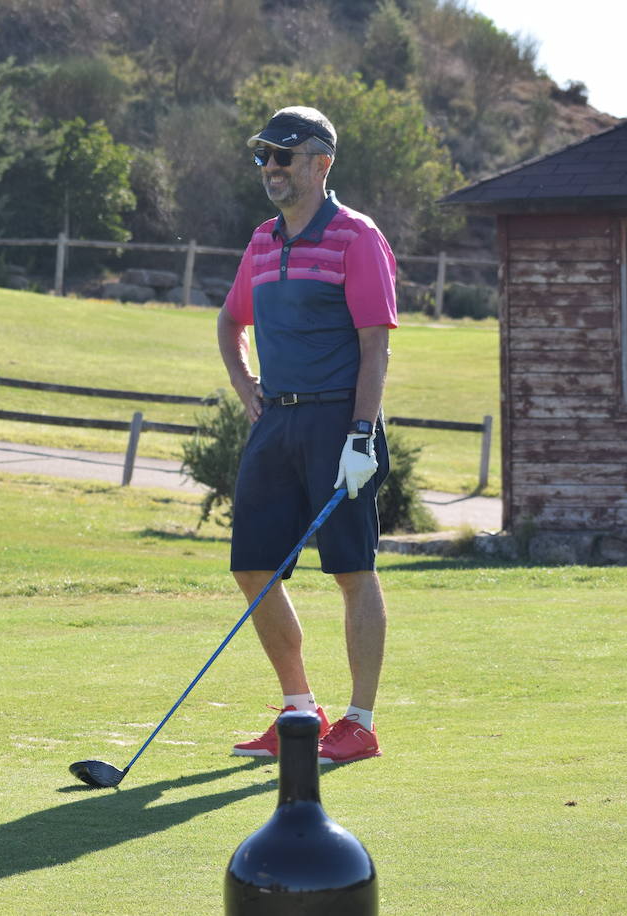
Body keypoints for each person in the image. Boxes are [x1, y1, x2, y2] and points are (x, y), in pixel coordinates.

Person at [216, 107, 398, 765]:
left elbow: (374, 345)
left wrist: (360, 435)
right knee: (252, 565)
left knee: (352, 568)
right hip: (278, 422)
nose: (270, 166)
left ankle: (359, 723)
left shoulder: (356, 237)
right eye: (264, 155)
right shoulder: (262, 242)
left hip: (336, 422)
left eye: (283, 156)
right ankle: (300, 711)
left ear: (320, 163)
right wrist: (248, 393)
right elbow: (229, 321)